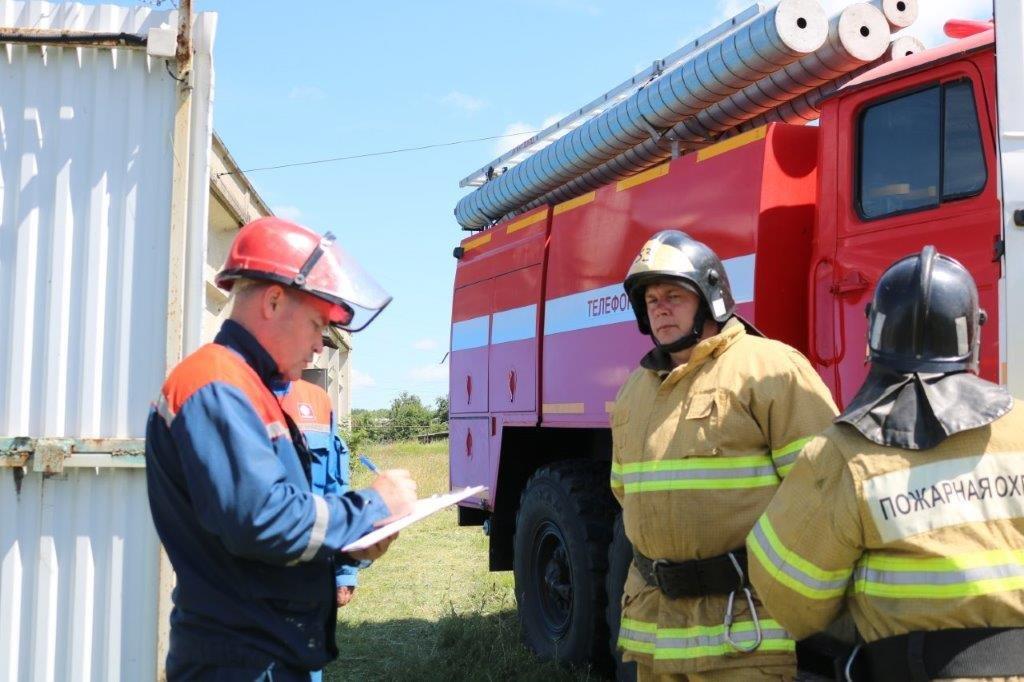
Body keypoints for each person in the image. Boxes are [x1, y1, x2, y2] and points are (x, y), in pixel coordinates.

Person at [145, 217, 417, 681]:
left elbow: (265, 535)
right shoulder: (216, 384)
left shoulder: (249, 388)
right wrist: (373, 506)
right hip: (240, 663)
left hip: (261, 653)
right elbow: (263, 520)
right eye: (316, 324)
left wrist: (349, 549)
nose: (318, 347)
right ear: (273, 301)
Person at [748, 246, 1024, 681]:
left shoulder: (841, 453)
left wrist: (862, 622)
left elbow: (787, 591)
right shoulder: (1021, 428)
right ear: (974, 331)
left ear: (874, 332)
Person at [611, 230, 839, 680]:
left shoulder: (770, 368)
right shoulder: (635, 389)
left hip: (743, 626)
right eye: (651, 299)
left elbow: (824, 489)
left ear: (710, 297)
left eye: (674, 295)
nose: (660, 308)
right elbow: (624, 491)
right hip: (657, 626)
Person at [277, 366, 360, 608]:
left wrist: (344, 573)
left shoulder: (318, 400)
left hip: (312, 573)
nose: (318, 348)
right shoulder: (232, 395)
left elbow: (336, 492)